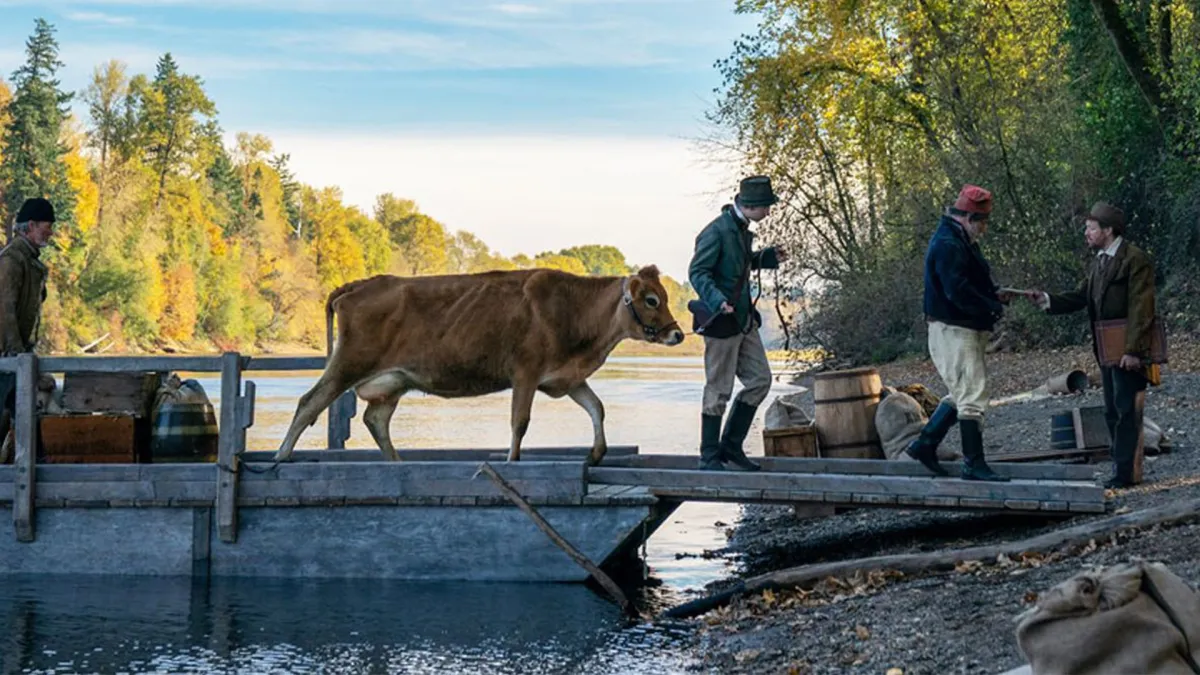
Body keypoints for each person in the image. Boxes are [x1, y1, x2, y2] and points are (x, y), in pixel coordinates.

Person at [1025, 202, 1157, 489]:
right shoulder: (1099, 261)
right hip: (1107, 350)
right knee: (1112, 410)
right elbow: (1081, 296)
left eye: (1091, 228)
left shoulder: (1135, 259)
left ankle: (1126, 474)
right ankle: (1121, 470)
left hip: (1126, 350)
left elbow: (1142, 308)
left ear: (1108, 231)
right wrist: (1046, 299)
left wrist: (1133, 350)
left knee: (1125, 411)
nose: (1086, 232)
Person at [905, 184, 1012, 482]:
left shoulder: (957, 240)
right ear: (968, 218)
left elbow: (968, 282)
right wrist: (991, 305)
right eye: (983, 222)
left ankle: (925, 445)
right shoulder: (949, 244)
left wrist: (993, 295)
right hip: (953, 328)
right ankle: (973, 465)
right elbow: (957, 291)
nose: (984, 229)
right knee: (973, 395)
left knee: (963, 392)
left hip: (958, 326)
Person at [688, 175, 788, 471]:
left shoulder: (740, 229)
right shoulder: (716, 231)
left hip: (744, 321)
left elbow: (738, 264)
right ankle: (709, 456)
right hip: (721, 321)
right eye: (766, 206)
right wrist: (717, 300)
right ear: (752, 206)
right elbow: (698, 272)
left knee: (760, 381)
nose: (769, 211)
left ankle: (730, 447)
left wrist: (766, 258)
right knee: (718, 389)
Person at [0, 197, 55, 457]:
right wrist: (17, 354)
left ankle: (35, 482)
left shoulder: (31, 262)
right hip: (7, 358)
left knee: (26, 419)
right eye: (47, 226)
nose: (51, 232)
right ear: (30, 225)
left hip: (19, 355)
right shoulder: (12, 260)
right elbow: (4, 309)